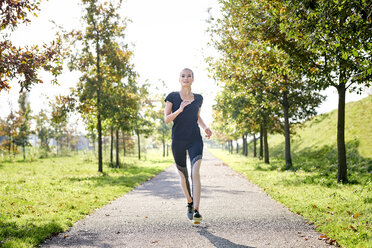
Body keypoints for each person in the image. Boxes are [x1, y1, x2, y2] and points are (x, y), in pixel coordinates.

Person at [164, 68, 212, 224]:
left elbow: (197, 116)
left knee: (195, 171)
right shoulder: (172, 96)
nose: (186, 78)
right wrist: (180, 109)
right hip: (178, 140)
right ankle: (190, 202)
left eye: (189, 76)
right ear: (179, 79)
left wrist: (205, 127)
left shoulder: (198, 98)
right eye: (183, 76)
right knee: (183, 175)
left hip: (194, 139)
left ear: (193, 79)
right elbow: (166, 119)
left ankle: (197, 210)